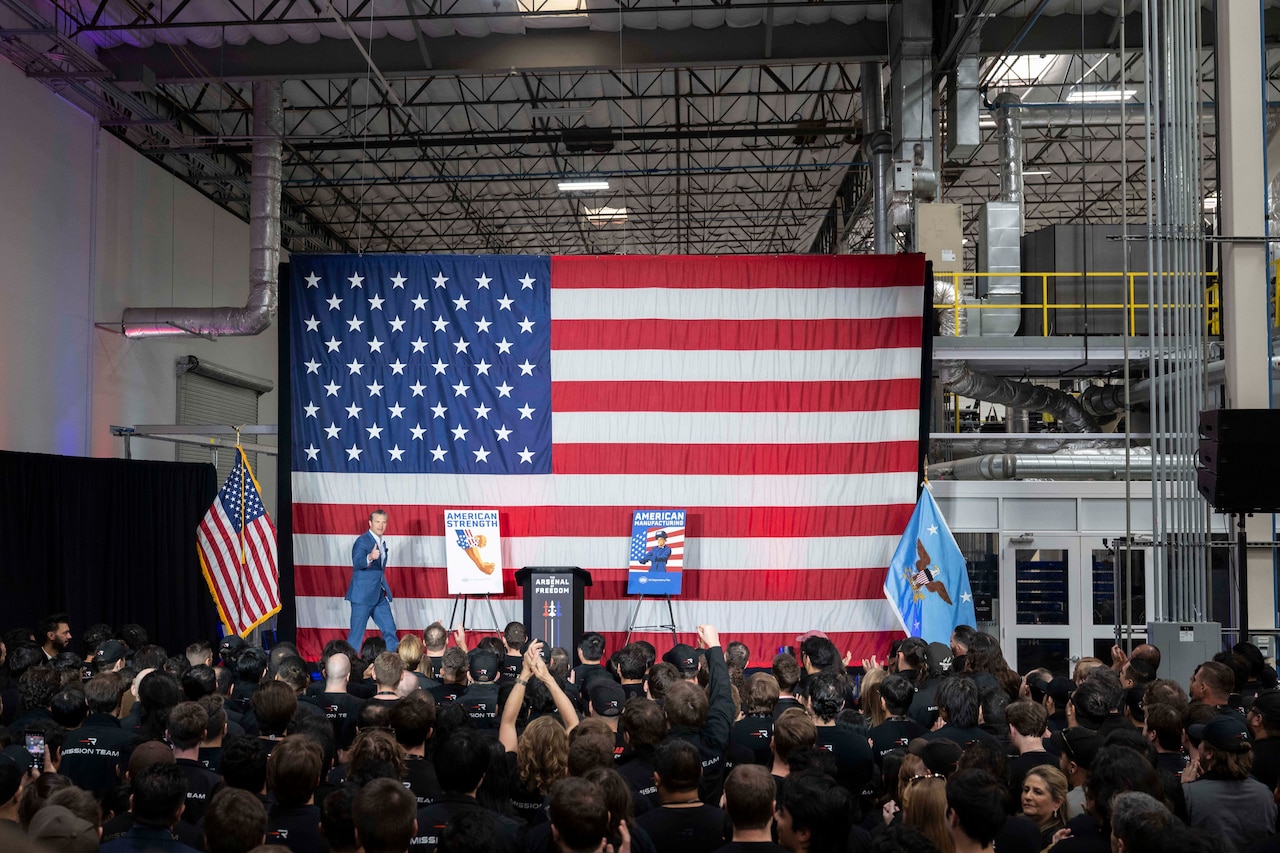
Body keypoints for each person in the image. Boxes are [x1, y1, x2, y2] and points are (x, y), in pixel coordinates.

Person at [348, 509, 398, 652]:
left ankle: (392, 665)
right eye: (377, 522)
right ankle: (349, 669)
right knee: (356, 637)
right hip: (362, 596)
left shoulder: (381, 542)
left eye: (383, 522)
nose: (381, 525)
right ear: (370, 523)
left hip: (378, 595)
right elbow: (357, 563)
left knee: (390, 630)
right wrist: (369, 557)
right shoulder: (362, 541)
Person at [1019, 766, 1068, 849]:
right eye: (1026, 790)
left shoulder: (1059, 840)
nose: (1028, 796)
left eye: (1038, 792)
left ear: (1057, 803)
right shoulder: (1011, 828)